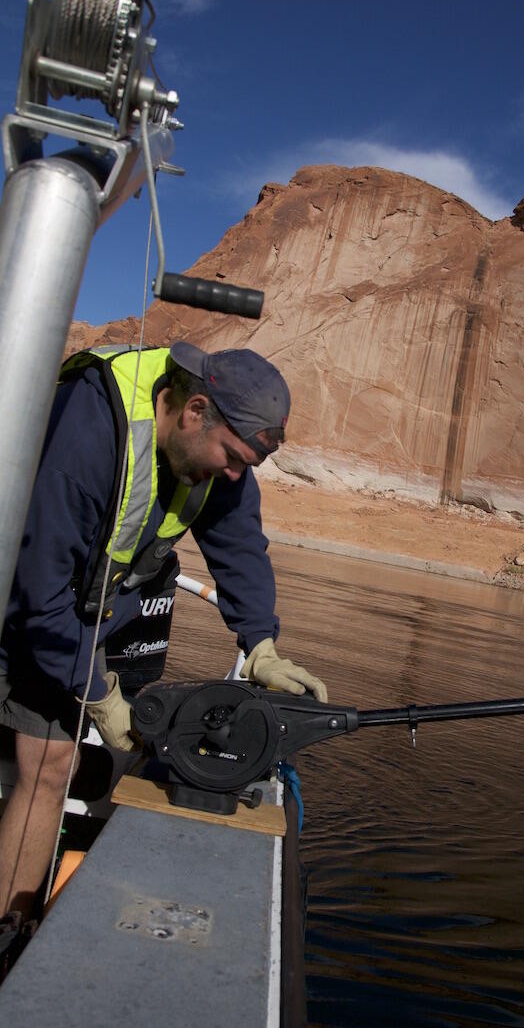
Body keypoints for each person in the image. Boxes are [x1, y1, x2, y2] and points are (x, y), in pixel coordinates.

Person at [0, 342, 327, 918]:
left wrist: (260, 642)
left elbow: (240, 544)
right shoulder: (86, 434)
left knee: (51, 766)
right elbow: (38, 591)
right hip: (24, 596)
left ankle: (9, 929)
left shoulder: (216, 452)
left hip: (64, 617)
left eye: (244, 467)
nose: (232, 475)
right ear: (195, 409)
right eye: (231, 458)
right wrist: (100, 696)